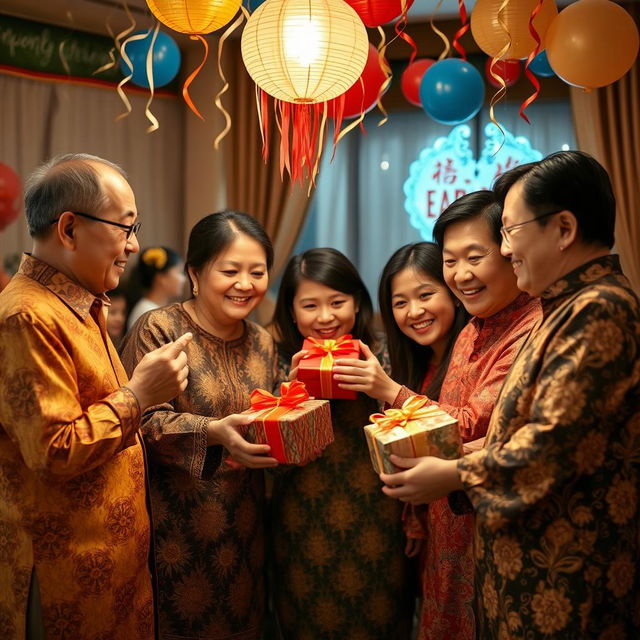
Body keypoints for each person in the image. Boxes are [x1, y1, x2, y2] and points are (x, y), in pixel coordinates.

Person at [382, 151, 640, 638]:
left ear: (563, 229)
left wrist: (453, 472)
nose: (506, 249)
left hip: (563, 580)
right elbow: (514, 429)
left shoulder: (597, 309)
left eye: (510, 232)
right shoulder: (564, 307)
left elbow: (548, 447)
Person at [0, 153, 191, 639]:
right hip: (65, 574)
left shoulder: (81, 303)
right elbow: (53, 451)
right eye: (125, 228)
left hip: (111, 563)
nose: (135, 245)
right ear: (68, 229)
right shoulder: (27, 316)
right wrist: (140, 394)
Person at [366, 192, 541, 639]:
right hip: (446, 524)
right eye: (450, 261)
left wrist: (387, 390)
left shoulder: (534, 327)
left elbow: (467, 428)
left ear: (508, 250)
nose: (462, 274)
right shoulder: (473, 327)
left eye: (474, 256)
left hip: (493, 526)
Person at [120, 210, 281, 640]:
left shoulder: (263, 341)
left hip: (246, 529)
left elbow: (274, 415)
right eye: (230, 270)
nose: (245, 284)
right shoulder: (161, 330)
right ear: (195, 273)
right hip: (177, 534)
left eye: (257, 271)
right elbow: (138, 422)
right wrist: (212, 431)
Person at [269, 248, 414, 640]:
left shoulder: (382, 354)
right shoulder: (277, 360)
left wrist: (380, 386)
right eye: (310, 305)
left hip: (377, 518)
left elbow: (417, 427)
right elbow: (268, 454)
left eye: (337, 302)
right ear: (292, 311)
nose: (326, 317)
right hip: (302, 523)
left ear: (357, 302)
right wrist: (291, 394)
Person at [127, 246, 186, 329]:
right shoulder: (147, 312)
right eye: (179, 272)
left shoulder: (152, 309)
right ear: (161, 277)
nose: (183, 279)